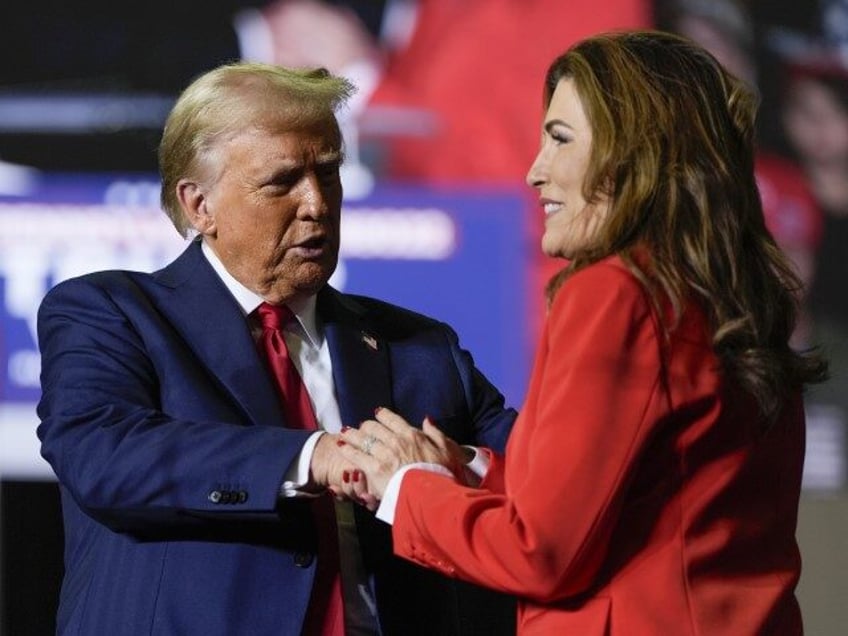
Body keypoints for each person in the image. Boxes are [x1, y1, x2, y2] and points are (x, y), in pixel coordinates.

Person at [337, 31, 829, 634]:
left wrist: (404, 488)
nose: (534, 173)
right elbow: (645, 496)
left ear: (633, 153)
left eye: (559, 139)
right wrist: (463, 470)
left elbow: (540, 552)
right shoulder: (734, 292)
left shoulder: (616, 292)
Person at [35, 62, 517, 636]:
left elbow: (538, 476)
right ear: (199, 205)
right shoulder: (112, 312)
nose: (316, 204)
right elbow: (105, 455)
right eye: (282, 181)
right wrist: (316, 457)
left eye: (329, 174)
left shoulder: (421, 348)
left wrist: (460, 463)